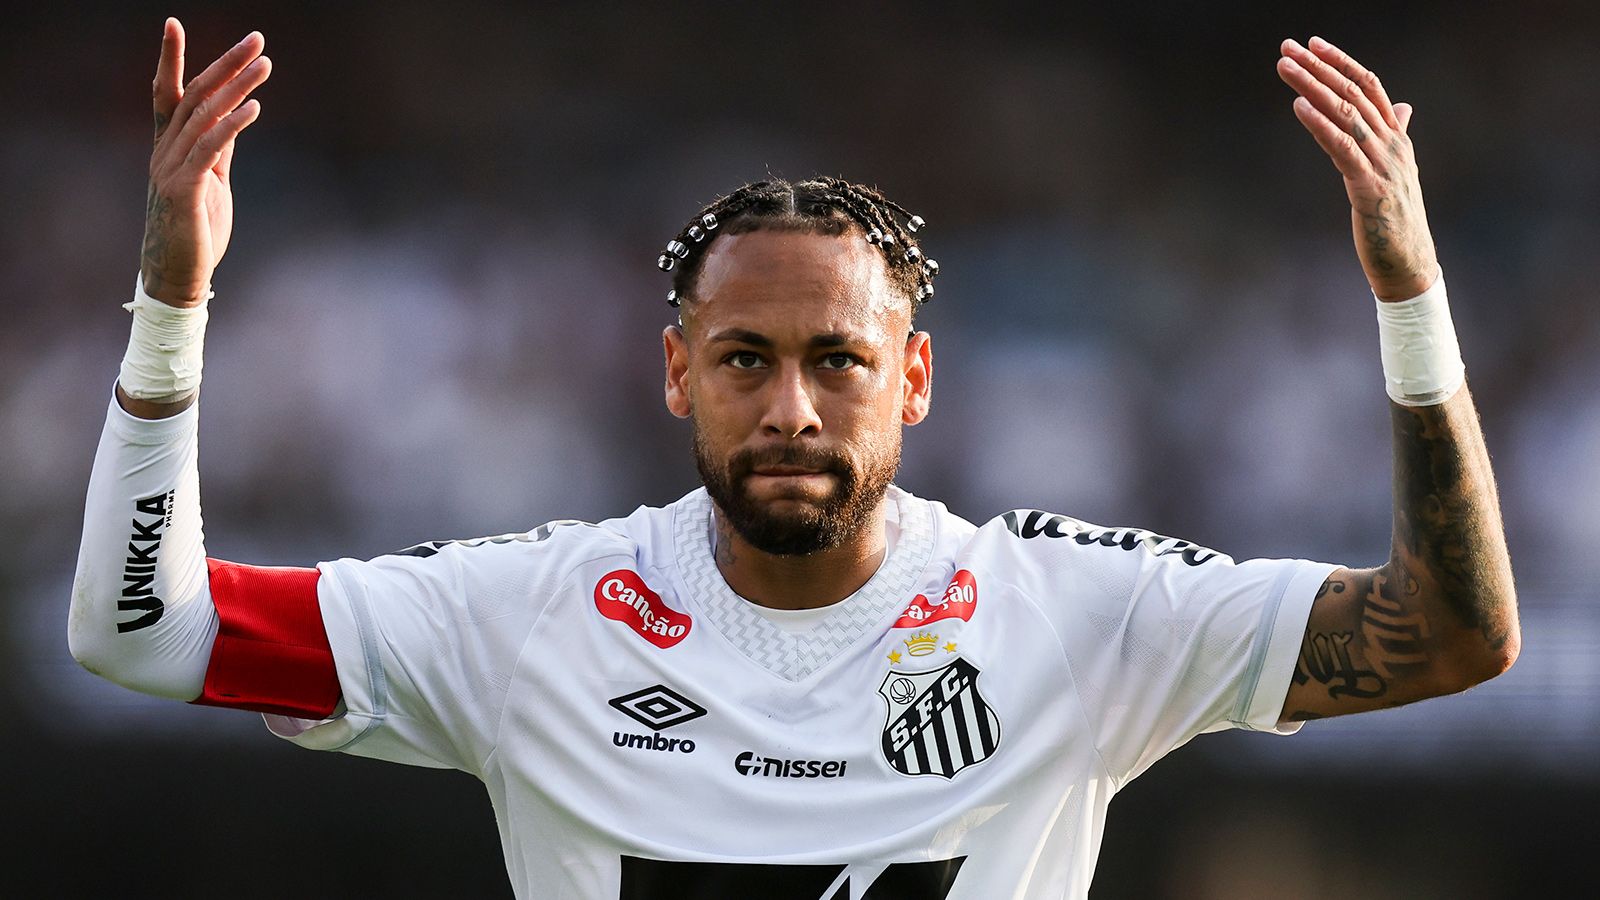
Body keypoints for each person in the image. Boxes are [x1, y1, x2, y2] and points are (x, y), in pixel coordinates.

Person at [70, 18, 1519, 899]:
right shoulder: (532, 616)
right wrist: (172, 308)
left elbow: (1454, 633)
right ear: (675, 374)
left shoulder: (1074, 615)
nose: (792, 412)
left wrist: (1410, 298)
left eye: (839, 361)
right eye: (744, 360)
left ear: (916, 381)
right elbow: (148, 635)